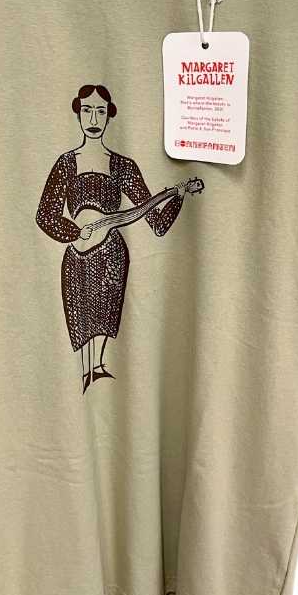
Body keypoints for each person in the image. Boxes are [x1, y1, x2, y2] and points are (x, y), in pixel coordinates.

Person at [36, 84, 188, 393]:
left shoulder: (123, 166)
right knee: (81, 317)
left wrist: (178, 196)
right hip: (76, 257)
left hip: (111, 257)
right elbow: (45, 215)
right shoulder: (66, 163)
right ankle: (86, 375)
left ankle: (98, 369)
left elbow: (156, 223)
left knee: (104, 315)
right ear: (78, 113)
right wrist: (74, 232)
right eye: (87, 110)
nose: (94, 119)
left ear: (110, 115)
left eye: (101, 111)